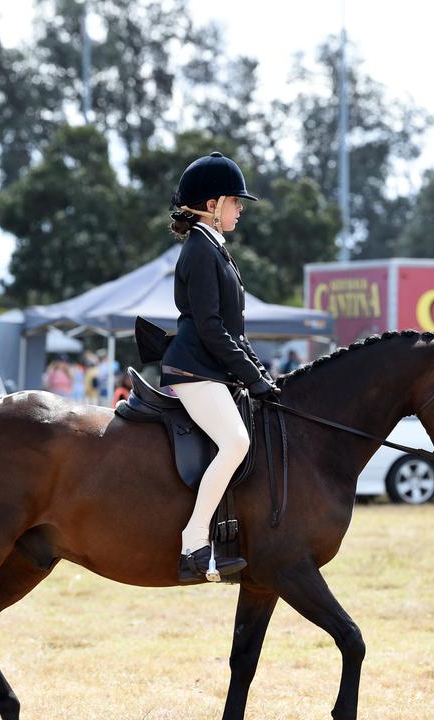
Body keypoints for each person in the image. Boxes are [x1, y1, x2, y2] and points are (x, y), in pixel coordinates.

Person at [161, 151, 270, 583]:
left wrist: (260, 374)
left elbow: (233, 329)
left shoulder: (213, 247)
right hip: (195, 369)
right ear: (212, 205)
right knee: (236, 442)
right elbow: (209, 327)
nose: (240, 209)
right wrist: (251, 377)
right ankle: (193, 543)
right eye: (235, 202)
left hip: (211, 368)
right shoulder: (202, 250)